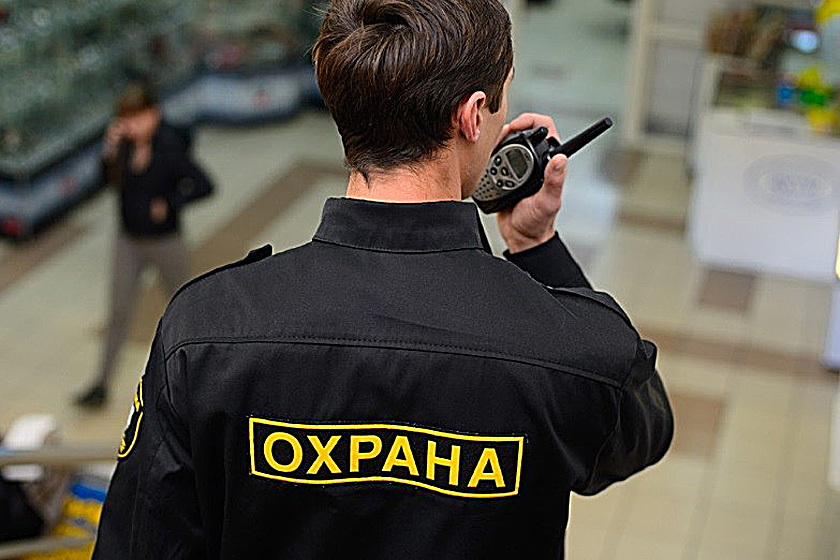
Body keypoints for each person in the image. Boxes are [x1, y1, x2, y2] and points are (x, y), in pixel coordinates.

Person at [92, 1, 673, 557]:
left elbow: (142, 541)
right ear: (473, 115)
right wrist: (535, 245)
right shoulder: (568, 348)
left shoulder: (204, 331)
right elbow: (642, 432)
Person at [74, 83, 214, 408]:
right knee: (118, 311)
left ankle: (199, 381)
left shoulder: (170, 146)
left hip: (166, 242)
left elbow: (205, 185)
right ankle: (100, 384)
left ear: (153, 115)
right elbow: (105, 183)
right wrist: (109, 152)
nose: (131, 126)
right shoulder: (122, 146)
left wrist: (170, 202)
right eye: (126, 120)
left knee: (183, 308)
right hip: (128, 240)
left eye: (136, 119)